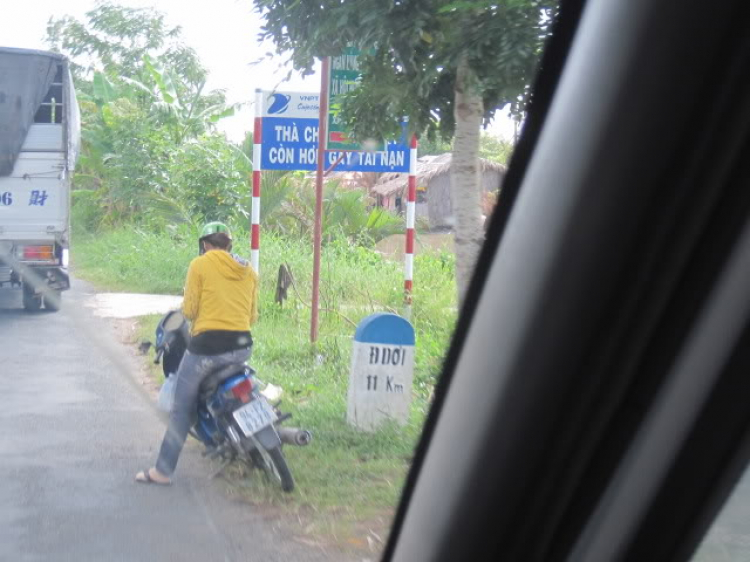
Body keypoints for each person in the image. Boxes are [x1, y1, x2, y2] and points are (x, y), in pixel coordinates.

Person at [136, 222, 258, 485]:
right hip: (242, 347)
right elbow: (252, 316)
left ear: (205, 244)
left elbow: (189, 311)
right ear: (229, 244)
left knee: (182, 409)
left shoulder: (199, 265)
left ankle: (162, 471)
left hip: (207, 350)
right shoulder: (248, 270)